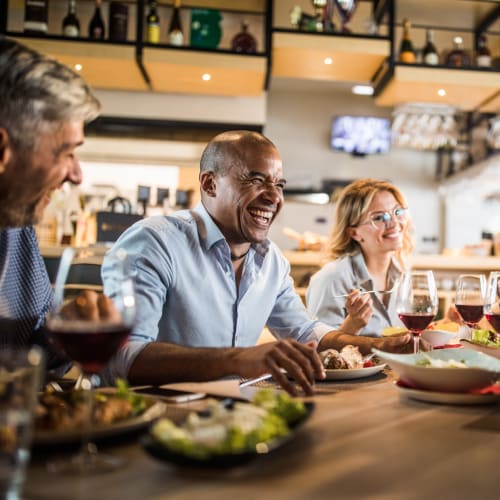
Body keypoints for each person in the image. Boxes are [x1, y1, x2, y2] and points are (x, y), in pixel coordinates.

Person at [102, 133, 414, 395]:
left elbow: (307, 331)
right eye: (255, 179)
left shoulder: (271, 261)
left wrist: (381, 344)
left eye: (279, 184)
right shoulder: (155, 242)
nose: (273, 196)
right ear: (210, 185)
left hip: (230, 416)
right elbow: (123, 357)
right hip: (151, 418)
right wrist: (240, 359)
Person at [0, 38, 101, 372]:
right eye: (66, 152)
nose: (76, 174)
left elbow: (28, 354)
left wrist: (62, 336)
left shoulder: (17, 226)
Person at [306, 178, 414, 337]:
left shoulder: (402, 275)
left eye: (397, 212)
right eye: (379, 217)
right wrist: (353, 325)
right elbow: (319, 351)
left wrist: (443, 324)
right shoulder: (332, 279)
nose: (395, 223)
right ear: (354, 233)